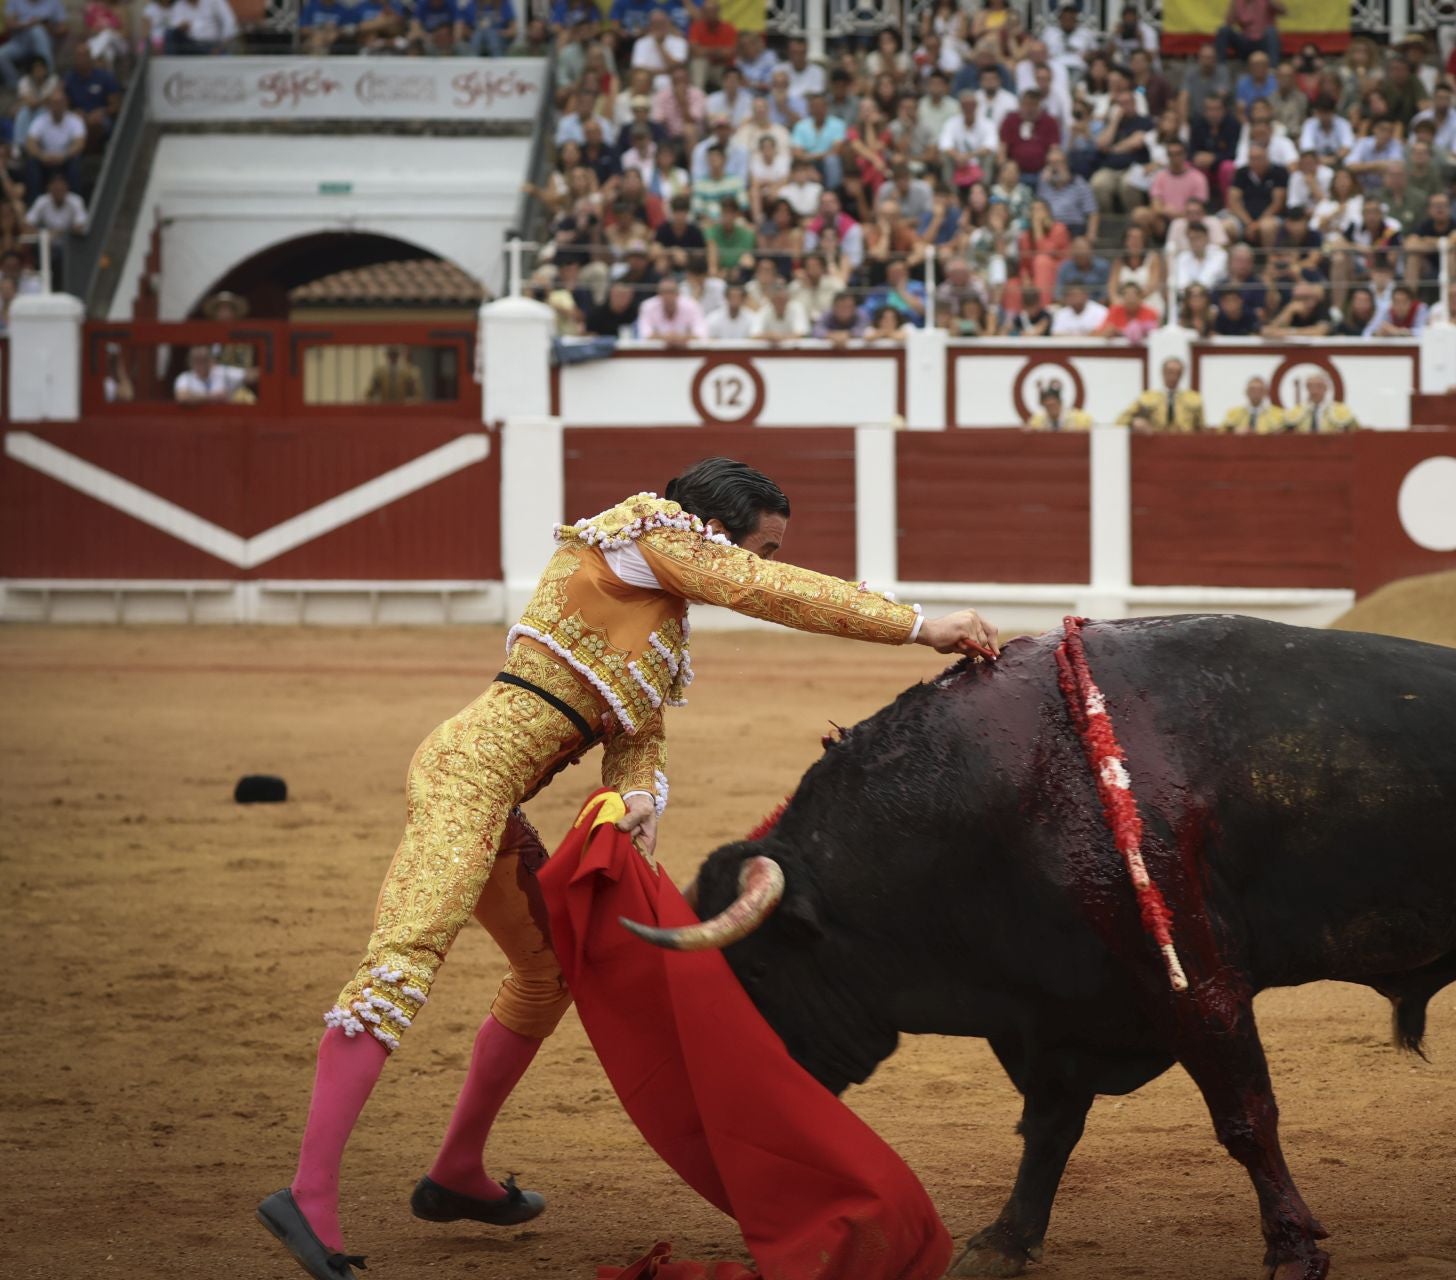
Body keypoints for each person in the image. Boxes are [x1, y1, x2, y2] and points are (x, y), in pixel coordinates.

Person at [258, 460, 996, 1278]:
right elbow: (762, 590)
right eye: (763, 545)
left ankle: (457, 1170)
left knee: (547, 975)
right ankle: (307, 1196)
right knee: (402, 962)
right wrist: (918, 625)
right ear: (715, 531)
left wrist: (638, 798)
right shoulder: (645, 534)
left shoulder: (658, 612)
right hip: (464, 775)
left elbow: (635, 738)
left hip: (499, 798)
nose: (766, 561)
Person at [1118, 356, 1204, 432]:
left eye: (1178, 373)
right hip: (1155, 441)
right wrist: (1134, 422)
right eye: (1170, 372)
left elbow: (1202, 429)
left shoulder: (1194, 398)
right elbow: (1121, 421)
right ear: (1163, 373)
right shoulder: (1147, 397)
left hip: (1185, 441)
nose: (1174, 377)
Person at [1278, 372, 1359, 432]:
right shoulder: (1296, 411)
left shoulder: (1341, 411)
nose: (1314, 391)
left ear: (1326, 388)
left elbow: (1356, 432)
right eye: (1310, 386)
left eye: (1319, 386)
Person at [173, 345, 248, 403]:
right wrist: (213, 397)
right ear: (190, 362)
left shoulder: (222, 372)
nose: (201, 364)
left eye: (204, 360)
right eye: (197, 360)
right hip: (195, 417)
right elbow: (182, 397)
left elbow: (249, 375)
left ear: (211, 360)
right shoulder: (185, 377)